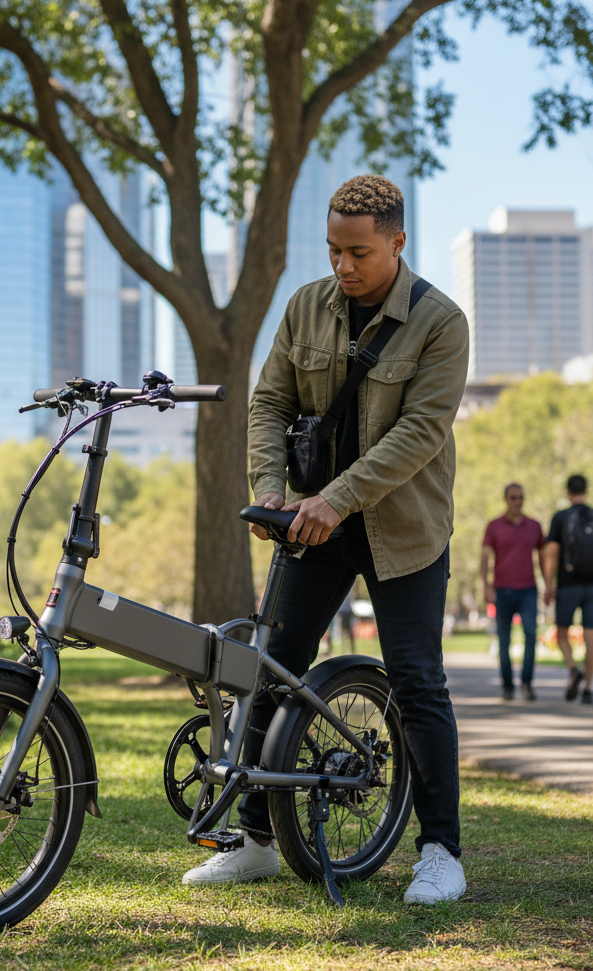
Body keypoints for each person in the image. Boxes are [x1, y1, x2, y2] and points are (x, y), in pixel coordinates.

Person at [182, 175, 469, 904]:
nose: (344, 265)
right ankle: (254, 841)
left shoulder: (442, 322)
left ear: (398, 242)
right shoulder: (306, 305)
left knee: (416, 680)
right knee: (271, 668)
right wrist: (271, 488)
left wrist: (336, 499)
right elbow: (271, 400)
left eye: (360, 252)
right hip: (312, 522)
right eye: (335, 250)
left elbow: (418, 435)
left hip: (403, 529)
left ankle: (441, 851)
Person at [480, 483, 547, 701]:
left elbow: (544, 556)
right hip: (503, 591)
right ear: (506, 500)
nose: (517, 501)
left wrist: (548, 584)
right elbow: (484, 556)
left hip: (529, 591)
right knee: (504, 640)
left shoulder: (534, 526)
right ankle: (508, 686)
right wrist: (486, 586)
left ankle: (527, 683)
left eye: (520, 498)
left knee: (530, 636)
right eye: (513, 498)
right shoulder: (494, 526)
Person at [543, 475, 593, 703]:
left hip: (568, 585)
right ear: (586, 490)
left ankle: (573, 669)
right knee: (591, 637)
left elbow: (552, 552)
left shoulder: (561, 517)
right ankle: (587, 689)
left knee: (562, 633)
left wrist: (548, 583)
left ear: (568, 492)